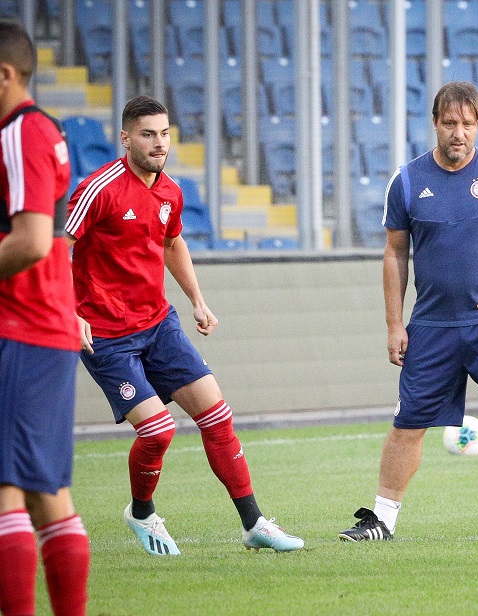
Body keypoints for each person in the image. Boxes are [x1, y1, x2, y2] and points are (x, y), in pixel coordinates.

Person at [66, 95, 303, 555]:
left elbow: (172, 244)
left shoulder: (170, 191)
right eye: (148, 134)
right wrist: (67, 311)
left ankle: (254, 525)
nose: (159, 143)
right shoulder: (99, 188)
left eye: (165, 133)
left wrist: (197, 300)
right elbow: (60, 246)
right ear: (126, 138)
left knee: (217, 416)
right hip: (107, 334)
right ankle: (141, 513)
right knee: (158, 431)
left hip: (158, 323)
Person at [339, 81, 478, 542]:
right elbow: (394, 255)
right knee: (408, 425)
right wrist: (394, 324)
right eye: (449, 123)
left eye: (467, 123)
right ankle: (382, 520)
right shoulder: (406, 181)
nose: (458, 132)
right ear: (435, 124)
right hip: (433, 327)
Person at [0, 19, 89, 616]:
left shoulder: (19, 132)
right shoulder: (45, 132)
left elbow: (31, 240)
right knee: (46, 498)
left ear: (4, 75)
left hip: (21, 329)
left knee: (8, 494)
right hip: (44, 331)